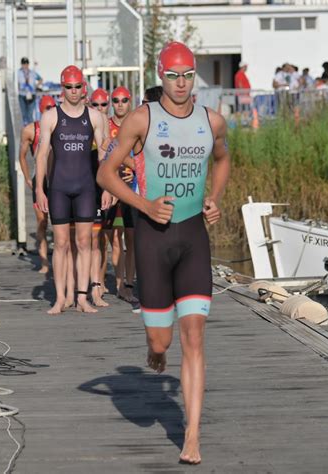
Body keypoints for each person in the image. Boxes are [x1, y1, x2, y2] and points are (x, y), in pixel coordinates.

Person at [98, 41, 230, 464]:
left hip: (192, 237)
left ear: (195, 77)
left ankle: (191, 436)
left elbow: (224, 161)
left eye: (187, 75)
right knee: (163, 339)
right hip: (153, 237)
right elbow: (105, 173)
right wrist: (143, 206)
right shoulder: (141, 119)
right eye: (172, 76)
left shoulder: (212, 121)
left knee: (195, 337)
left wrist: (214, 196)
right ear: (160, 75)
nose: (180, 83)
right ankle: (155, 350)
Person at [35, 65, 105, 315]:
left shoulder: (95, 117)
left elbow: (104, 156)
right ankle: (61, 297)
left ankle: (83, 298)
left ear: (83, 88)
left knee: (84, 242)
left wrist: (107, 189)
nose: (73, 91)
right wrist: (39, 191)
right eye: (68, 87)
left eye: (77, 87)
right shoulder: (51, 117)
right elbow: (42, 156)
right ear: (62, 89)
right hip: (59, 189)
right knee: (62, 244)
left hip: (86, 187)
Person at [103, 86, 138, 304]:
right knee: (115, 239)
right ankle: (118, 284)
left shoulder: (136, 121)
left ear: (130, 101)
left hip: (133, 188)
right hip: (115, 188)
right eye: (116, 101)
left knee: (132, 240)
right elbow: (103, 153)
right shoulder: (106, 126)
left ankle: (129, 283)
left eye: (124, 100)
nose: (120, 104)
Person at [18, 95, 56, 274]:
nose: (50, 111)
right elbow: (22, 156)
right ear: (40, 109)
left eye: (52, 107)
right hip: (39, 180)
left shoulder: (60, 127)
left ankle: (61, 260)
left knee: (60, 223)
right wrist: (27, 177)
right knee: (42, 222)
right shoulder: (30, 130)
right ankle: (44, 263)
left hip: (57, 180)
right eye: (47, 108)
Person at [89, 88, 111, 306]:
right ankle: (76, 289)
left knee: (98, 240)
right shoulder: (84, 121)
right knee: (77, 242)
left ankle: (97, 285)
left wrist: (108, 188)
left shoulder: (107, 126)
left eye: (104, 104)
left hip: (98, 187)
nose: (100, 108)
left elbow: (107, 161)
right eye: (95, 104)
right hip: (78, 187)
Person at [18, 57, 42, 125]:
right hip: (22, 95)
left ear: (28, 64)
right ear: (21, 64)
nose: (25, 65)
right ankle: (25, 130)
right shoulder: (18, 73)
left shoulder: (32, 73)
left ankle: (31, 131)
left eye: (26, 64)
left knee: (30, 115)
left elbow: (40, 79)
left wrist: (36, 86)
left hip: (31, 95)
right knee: (23, 114)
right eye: (23, 64)